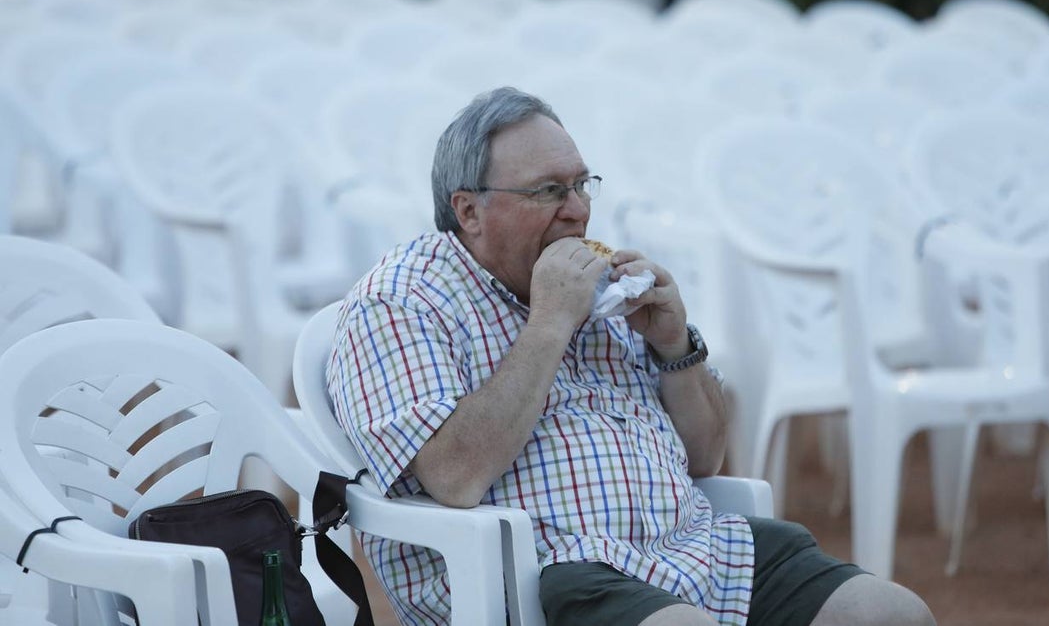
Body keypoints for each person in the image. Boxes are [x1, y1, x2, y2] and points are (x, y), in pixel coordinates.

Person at [327, 86, 936, 626]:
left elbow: (707, 455)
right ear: (468, 210)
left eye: (580, 185)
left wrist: (675, 344)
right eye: (548, 191)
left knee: (893, 614)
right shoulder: (399, 302)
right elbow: (453, 477)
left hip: (691, 546)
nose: (578, 210)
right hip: (542, 569)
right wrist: (548, 325)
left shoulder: (601, 287)